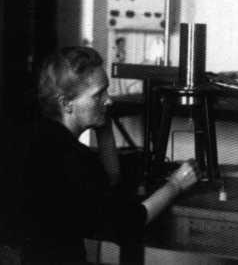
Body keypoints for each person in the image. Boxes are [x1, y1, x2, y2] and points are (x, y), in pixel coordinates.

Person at [21, 46, 199, 264]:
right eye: (98, 95)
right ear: (66, 103)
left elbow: (108, 181)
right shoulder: (75, 158)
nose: (109, 100)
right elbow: (127, 226)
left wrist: (103, 127)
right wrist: (176, 184)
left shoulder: (39, 137)